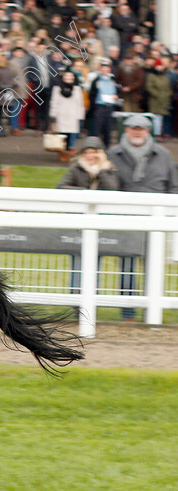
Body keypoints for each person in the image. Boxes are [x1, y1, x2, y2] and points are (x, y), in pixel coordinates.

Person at [107, 115, 178, 320]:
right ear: (126, 130)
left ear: (148, 131)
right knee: (127, 267)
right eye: (133, 128)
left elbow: (173, 186)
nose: (137, 132)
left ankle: (151, 311)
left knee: (153, 266)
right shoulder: (113, 154)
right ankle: (128, 312)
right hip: (125, 218)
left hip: (156, 219)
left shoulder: (163, 154)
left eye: (142, 129)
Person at [49, 70, 86, 162]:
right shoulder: (57, 88)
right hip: (61, 115)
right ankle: (62, 154)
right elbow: (54, 102)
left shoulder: (77, 89)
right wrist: (53, 115)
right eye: (67, 76)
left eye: (71, 76)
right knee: (61, 136)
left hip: (72, 116)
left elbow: (80, 103)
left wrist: (80, 116)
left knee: (70, 136)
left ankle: (68, 153)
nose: (69, 78)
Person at [88, 59, 120, 147]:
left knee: (108, 129)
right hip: (99, 106)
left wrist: (116, 97)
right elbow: (92, 94)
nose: (105, 70)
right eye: (103, 68)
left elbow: (117, 91)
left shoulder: (113, 80)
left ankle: (107, 147)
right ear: (100, 69)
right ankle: (94, 147)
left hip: (110, 107)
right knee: (97, 129)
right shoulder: (96, 80)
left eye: (107, 68)